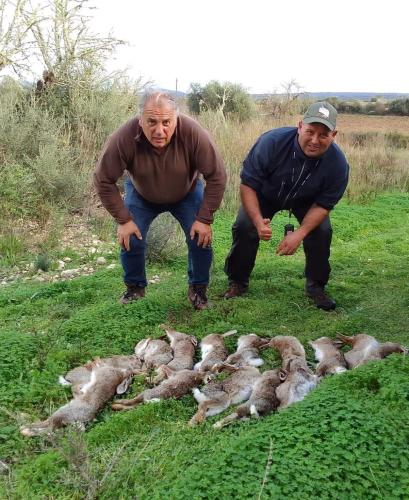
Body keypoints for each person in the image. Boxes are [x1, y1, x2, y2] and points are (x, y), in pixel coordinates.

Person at [94, 91, 226, 309]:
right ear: (140, 120)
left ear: (176, 119)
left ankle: (198, 290)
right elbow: (103, 180)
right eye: (151, 122)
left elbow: (217, 176)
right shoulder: (124, 137)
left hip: (187, 191)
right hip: (141, 193)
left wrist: (204, 218)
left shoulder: (193, 133)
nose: (159, 130)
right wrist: (123, 220)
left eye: (166, 122)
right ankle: (135, 289)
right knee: (131, 238)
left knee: (200, 238)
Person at [223, 101, 349, 311]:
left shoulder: (338, 165)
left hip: (307, 201)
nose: (314, 140)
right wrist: (258, 221)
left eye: (323, 135)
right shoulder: (271, 142)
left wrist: (300, 233)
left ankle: (316, 286)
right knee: (245, 225)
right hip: (265, 195)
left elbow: (323, 205)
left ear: (333, 135)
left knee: (322, 230)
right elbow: (248, 184)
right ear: (300, 126)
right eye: (310, 131)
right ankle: (238, 281)